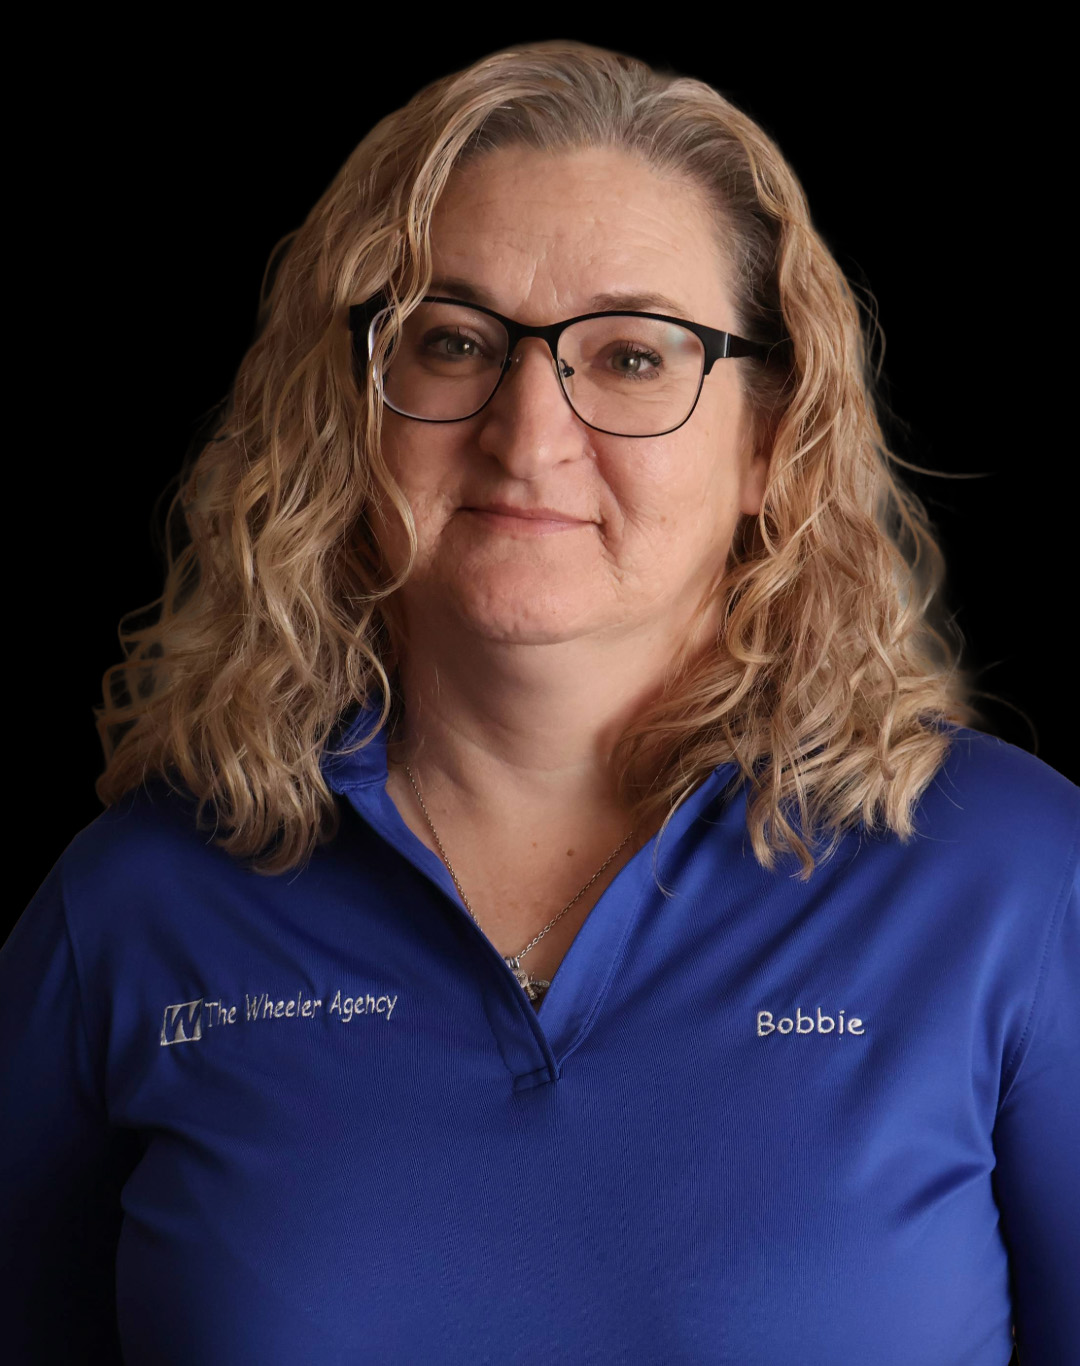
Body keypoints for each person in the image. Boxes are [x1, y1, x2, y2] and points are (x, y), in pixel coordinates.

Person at [1, 39, 1075, 1365]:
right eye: (455, 342)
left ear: (771, 441)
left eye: (632, 358)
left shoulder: (1017, 883)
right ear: (353, 408)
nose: (528, 433)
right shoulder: (133, 908)